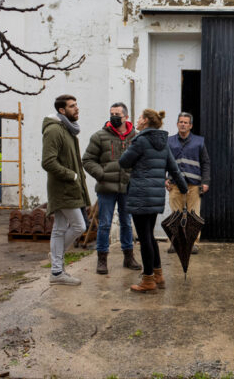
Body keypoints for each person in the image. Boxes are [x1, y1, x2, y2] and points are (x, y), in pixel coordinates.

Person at [119, 109, 188, 293]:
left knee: (145, 238)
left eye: (141, 117)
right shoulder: (163, 144)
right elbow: (174, 169)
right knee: (149, 236)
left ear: (147, 121)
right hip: (155, 196)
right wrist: (184, 189)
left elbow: (124, 162)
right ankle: (158, 275)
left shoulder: (140, 140)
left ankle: (148, 279)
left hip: (140, 196)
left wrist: (128, 146)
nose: (138, 120)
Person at [82, 102, 140, 274]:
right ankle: (102, 260)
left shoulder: (135, 137)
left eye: (117, 115)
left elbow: (141, 160)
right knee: (105, 224)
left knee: (126, 224)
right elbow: (87, 160)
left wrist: (134, 178)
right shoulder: (99, 136)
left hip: (127, 188)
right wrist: (101, 175)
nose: (114, 117)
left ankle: (129, 257)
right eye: (112, 114)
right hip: (106, 187)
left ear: (126, 117)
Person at [42, 94, 91, 286]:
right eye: (72, 106)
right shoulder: (54, 130)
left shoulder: (67, 129)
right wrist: (71, 175)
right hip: (63, 187)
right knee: (80, 226)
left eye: (76, 105)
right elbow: (47, 161)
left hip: (70, 187)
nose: (76, 109)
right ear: (62, 111)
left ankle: (57, 271)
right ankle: (56, 262)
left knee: (60, 229)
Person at [166, 112, 211, 254]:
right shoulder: (169, 141)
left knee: (193, 215)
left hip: (194, 185)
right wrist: (164, 178)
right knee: (175, 214)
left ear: (190, 125)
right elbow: (164, 161)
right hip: (175, 185)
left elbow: (205, 162)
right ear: (177, 124)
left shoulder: (199, 142)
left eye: (186, 122)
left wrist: (205, 181)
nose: (183, 124)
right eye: (181, 122)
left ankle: (192, 243)